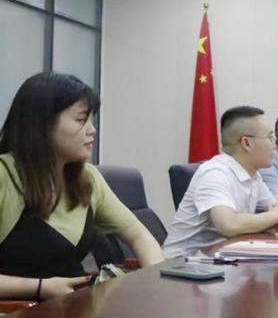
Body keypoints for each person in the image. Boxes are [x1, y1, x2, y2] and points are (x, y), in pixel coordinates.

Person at [0, 73, 164, 300]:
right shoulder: (5, 175)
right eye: (80, 120)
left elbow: (138, 235)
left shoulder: (88, 178)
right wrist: (39, 287)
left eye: (91, 120)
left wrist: (158, 284)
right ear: (43, 124)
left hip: (72, 309)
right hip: (16, 314)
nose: (92, 130)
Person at [162, 106, 278, 258]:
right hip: (181, 265)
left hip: (222, 258)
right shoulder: (215, 173)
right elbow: (229, 225)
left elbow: (276, 209)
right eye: (269, 138)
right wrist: (277, 216)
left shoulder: (253, 175)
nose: (274, 145)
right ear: (247, 143)